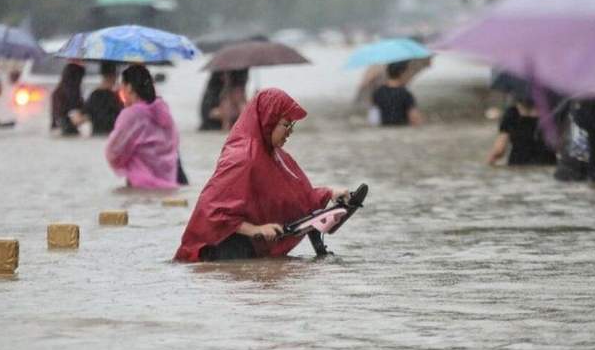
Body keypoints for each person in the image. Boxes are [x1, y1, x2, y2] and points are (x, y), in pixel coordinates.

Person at [174, 88, 348, 262]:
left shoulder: (275, 155)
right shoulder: (242, 157)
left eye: (292, 126)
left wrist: (330, 193)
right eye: (286, 125)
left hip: (249, 249)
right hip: (220, 250)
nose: (290, 132)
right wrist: (255, 230)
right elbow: (212, 211)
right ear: (269, 121)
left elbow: (294, 197)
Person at [106, 65, 180, 189]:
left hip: (139, 184)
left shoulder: (131, 114)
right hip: (168, 183)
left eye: (121, 86)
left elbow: (114, 151)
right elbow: (174, 142)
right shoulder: (164, 111)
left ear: (129, 87)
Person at [488, 94, 557, 166]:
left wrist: (489, 164)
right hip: (547, 163)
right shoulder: (552, 112)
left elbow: (499, 149)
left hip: (517, 165)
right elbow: (559, 145)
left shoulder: (511, 113)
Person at [371, 61, 422, 126]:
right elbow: (414, 118)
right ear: (401, 73)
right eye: (407, 72)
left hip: (384, 128)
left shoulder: (378, 92)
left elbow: (373, 119)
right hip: (402, 129)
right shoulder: (405, 94)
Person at [83, 62, 124, 135]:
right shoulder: (116, 96)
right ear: (114, 76)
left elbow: (86, 113)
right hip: (112, 135)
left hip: (96, 134)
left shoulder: (94, 95)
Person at [50, 62, 86, 136]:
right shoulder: (71, 94)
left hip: (60, 130)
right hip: (68, 130)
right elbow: (76, 119)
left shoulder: (57, 92)